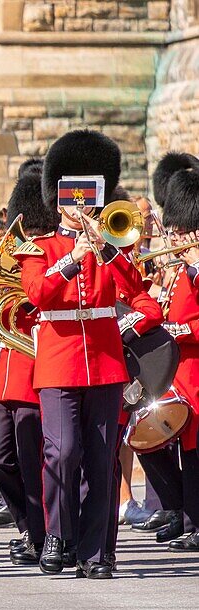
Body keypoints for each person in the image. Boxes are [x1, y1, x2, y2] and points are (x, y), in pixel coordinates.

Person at [15, 129, 161, 579]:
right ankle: (58, 535)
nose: (79, 209)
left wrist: (106, 248)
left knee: (101, 457)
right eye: (72, 201)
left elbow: (138, 296)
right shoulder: (41, 249)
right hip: (58, 363)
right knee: (63, 452)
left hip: (104, 363)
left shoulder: (109, 250)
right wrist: (73, 258)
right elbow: (38, 293)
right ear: (58, 202)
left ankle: (97, 551)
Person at [0, 160, 56, 565]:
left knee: (31, 458)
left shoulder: (48, 256)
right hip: (5, 373)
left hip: (33, 369)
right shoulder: (19, 256)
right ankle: (28, 526)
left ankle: (42, 534)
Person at [154, 157, 199, 552]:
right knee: (181, 453)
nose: (174, 239)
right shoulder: (180, 272)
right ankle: (186, 516)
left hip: (197, 375)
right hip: (180, 376)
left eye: (181, 232)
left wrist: (184, 330)